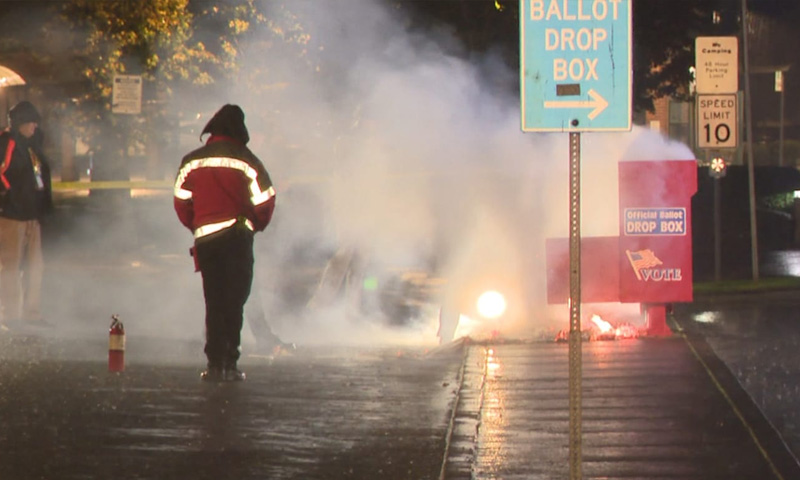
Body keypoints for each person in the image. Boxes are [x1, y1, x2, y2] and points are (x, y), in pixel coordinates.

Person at [173, 104, 276, 382]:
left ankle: (214, 363)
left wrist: (196, 224)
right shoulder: (248, 160)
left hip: (206, 241)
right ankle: (229, 364)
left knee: (214, 301)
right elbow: (265, 200)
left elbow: (181, 201)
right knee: (234, 302)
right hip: (237, 238)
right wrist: (255, 225)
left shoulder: (192, 161)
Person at [0, 101, 53, 328]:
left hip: (32, 214)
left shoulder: (32, 145)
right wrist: (10, 196)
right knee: (10, 266)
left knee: (35, 266)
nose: (35, 126)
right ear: (21, 123)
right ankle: (11, 315)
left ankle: (31, 313)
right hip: (12, 216)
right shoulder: (7, 142)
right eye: (31, 122)